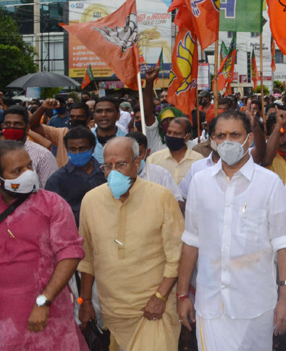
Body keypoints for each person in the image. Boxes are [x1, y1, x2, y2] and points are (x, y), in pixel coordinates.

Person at [0, 141, 88, 350]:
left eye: (29, 166)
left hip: (50, 313)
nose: (28, 174)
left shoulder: (53, 204)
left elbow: (70, 255)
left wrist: (44, 302)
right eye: (17, 171)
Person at [176, 110, 286, 350]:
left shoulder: (269, 183)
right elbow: (191, 242)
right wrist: (181, 295)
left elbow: (283, 245)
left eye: (235, 134)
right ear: (212, 141)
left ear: (249, 139)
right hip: (211, 304)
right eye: (221, 135)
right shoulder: (200, 182)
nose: (227, 141)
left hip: (256, 306)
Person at [77, 136, 184, 351]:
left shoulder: (162, 197)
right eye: (108, 166)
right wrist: (85, 301)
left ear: (138, 163)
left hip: (153, 308)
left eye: (121, 164)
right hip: (113, 310)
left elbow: (177, 256)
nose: (114, 171)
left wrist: (160, 296)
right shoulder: (90, 200)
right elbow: (87, 258)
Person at [44, 125, 105, 226]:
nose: (78, 152)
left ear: (93, 148)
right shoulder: (57, 180)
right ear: (67, 150)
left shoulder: (105, 175)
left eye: (82, 148)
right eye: (72, 149)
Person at [0, 105, 58, 187]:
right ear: (2, 127)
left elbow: (50, 190)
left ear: (27, 128)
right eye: (7, 124)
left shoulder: (43, 156)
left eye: (17, 124)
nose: (11, 127)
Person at [30, 100, 91, 168]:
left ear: (88, 119)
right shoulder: (62, 133)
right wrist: (43, 108)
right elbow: (34, 126)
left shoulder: (94, 135)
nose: (75, 119)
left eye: (80, 117)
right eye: (72, 117)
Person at [127, 131, 182, 200]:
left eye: (139, 154)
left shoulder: (161, 174)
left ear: (147, 153)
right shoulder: (117, 175)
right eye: (130, 153)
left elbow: (176, 200)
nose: (135, 159)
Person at [148, 118, 203, 185]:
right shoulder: (154, 159)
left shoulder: (198, 160)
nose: (171, 136)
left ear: (187, 137)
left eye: (177, 133)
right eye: (169, 132)